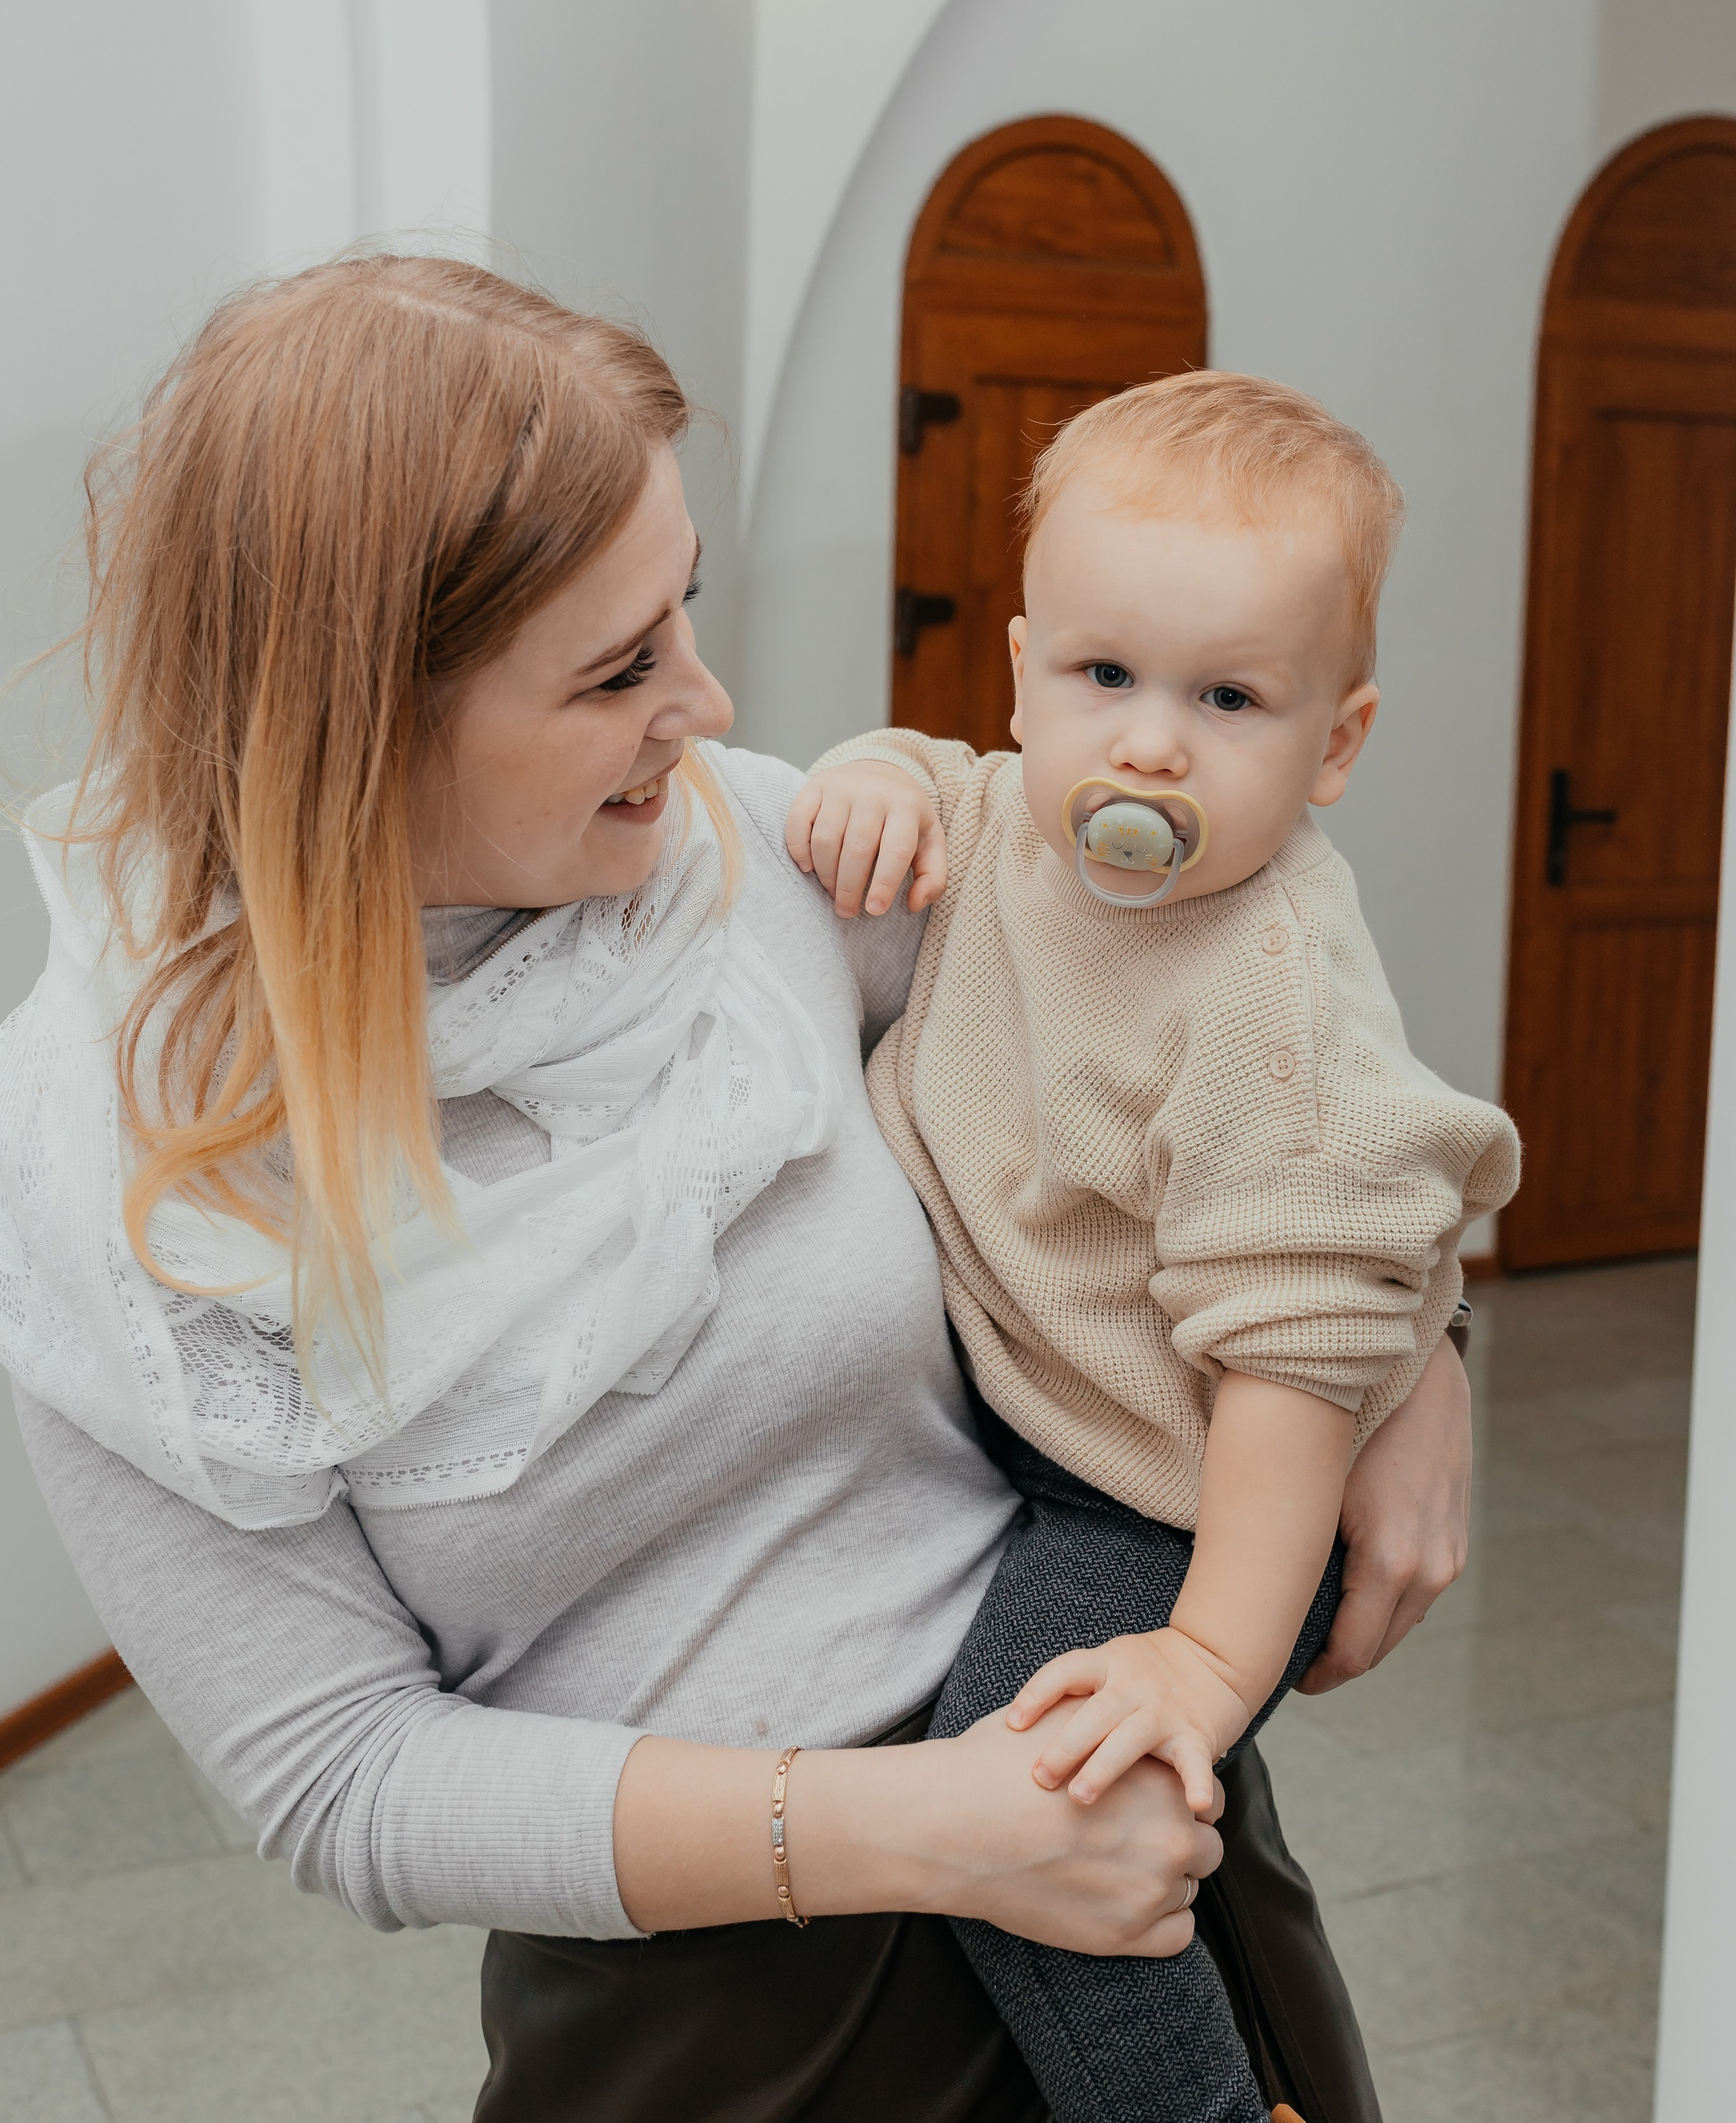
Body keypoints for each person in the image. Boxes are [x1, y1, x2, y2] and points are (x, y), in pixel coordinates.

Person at [0, 269, 1471, 2123]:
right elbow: (342, 1780)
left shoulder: (755, 862)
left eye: (681, 605)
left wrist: (1421, 1359)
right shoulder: (119, 1186)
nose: (706, 701)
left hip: (1130, 1875)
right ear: (358, 714)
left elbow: (1226, 1079)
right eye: (617, 670)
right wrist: (933, 1832)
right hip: (729, 2035)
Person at [788, 374, 1520, 2123]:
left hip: (1198, 1497)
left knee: (1041, 1780)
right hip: (1076, 1438)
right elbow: (936, 788)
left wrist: (1204, 1660)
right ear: (1024, 666)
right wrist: (861, 776)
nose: (1148, 748)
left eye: (1230, 700)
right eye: (1103, 678)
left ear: (1333, 744)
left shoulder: (1269, 993)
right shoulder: (1002, 829)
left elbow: (1287, 1371)